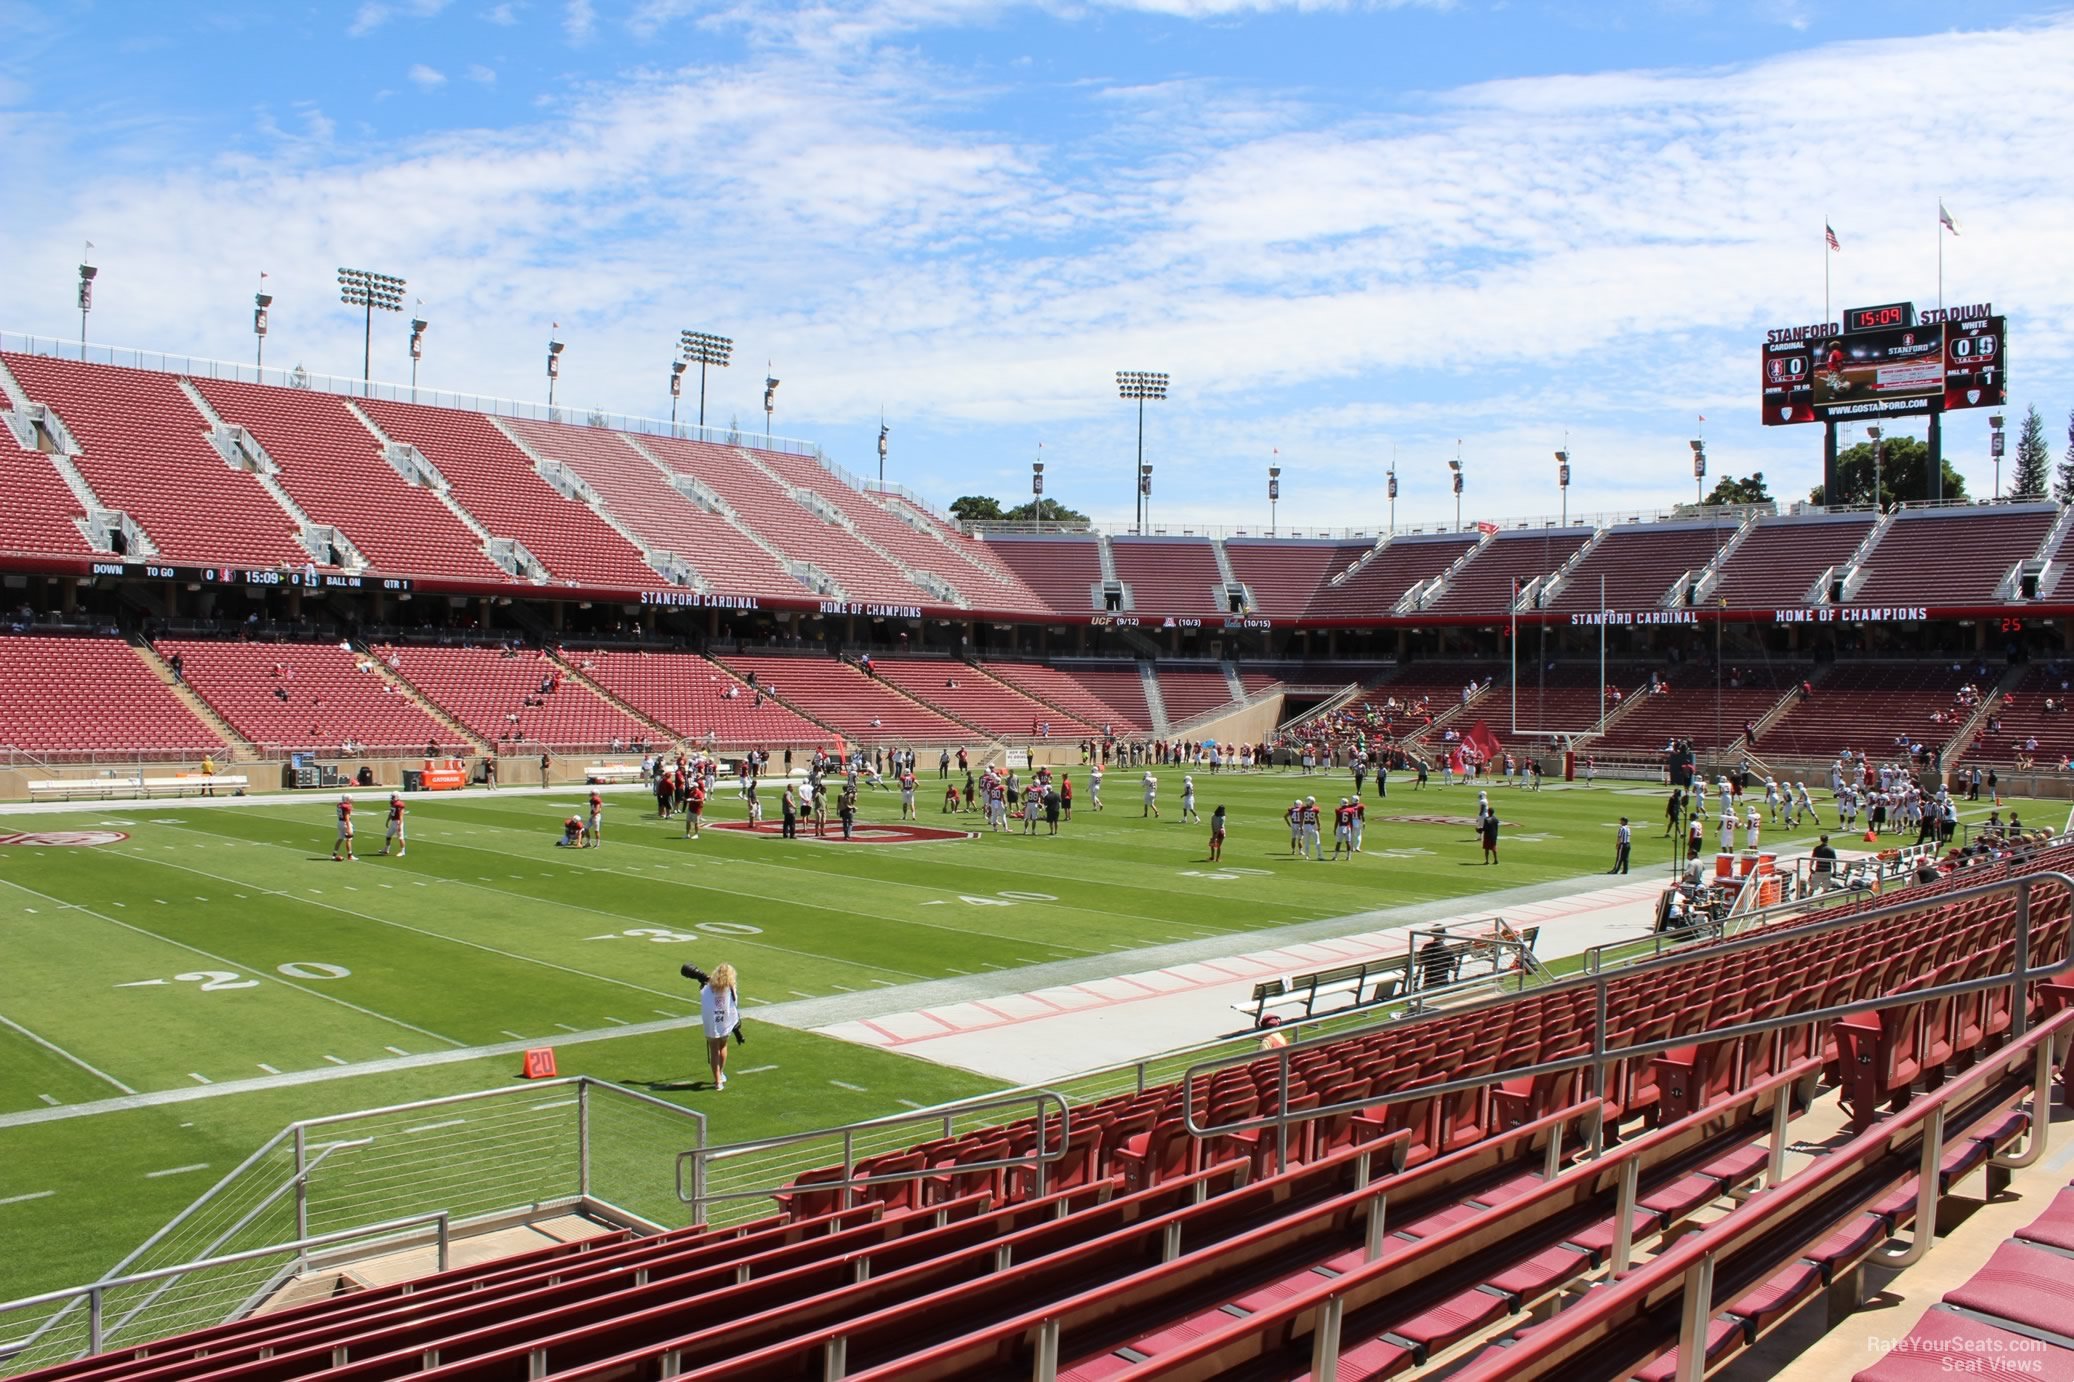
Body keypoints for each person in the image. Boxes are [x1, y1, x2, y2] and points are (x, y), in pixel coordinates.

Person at [699, 962, 741, 1090]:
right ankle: (720, 1074)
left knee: (714, 1049)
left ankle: (718, 1081)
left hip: (712, 1020)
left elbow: (703, 996)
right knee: (723, 1045)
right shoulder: (730, 987)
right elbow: (735, 1002)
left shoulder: (709, 987)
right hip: (725, 1020)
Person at [378, 793, 407, 858]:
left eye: (393, 796)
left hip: (398, 822)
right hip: (393, 821)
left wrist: (400, 825)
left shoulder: (400, 804)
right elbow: (391, 812)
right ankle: (386, 850)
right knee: (388, 836)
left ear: (397, 797)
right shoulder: (392, 803)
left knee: (400, 837)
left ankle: (403, 851)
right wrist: (387, 820)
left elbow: (401, 815)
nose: (392, 797)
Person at [332, 794, 357, 862]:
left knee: (340, 838)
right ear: (347, 799)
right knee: (348, 839)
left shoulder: (339, 804)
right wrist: (348, 827)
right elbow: (347, 817)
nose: (351, 800)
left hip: (339, 822)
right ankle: (350, 856)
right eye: (350, 799)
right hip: (345, 823)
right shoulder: (347, 806)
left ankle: (334, 854)